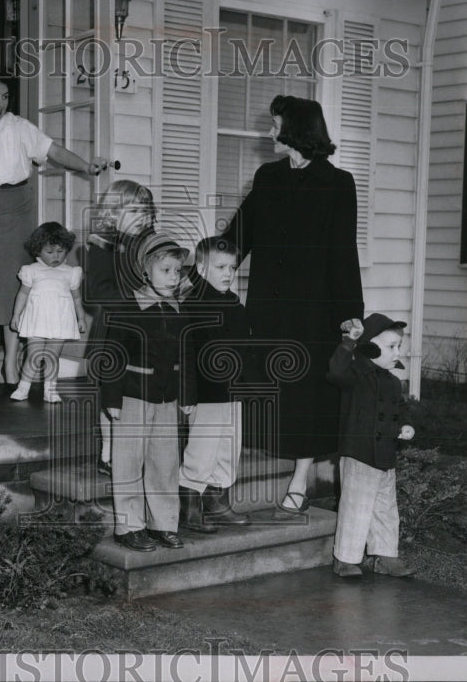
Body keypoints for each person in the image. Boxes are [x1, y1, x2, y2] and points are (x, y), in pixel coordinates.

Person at [222, 95, 364, 515]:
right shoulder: (268, 177)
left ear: (297, 130)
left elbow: (343, 253)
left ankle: (300, 480)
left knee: (305, 394)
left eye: (276, 124)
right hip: (267, 305)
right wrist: (197, 274)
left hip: (314, 310)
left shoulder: (338, 184)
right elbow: (238, 235)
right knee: (263, 385)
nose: (270, 132)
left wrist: (351, 313)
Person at [0, 76, 108, 392]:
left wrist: (86, 167)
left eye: (4, 96)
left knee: (16, 284)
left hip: (20, 207)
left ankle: (9, 362)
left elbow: (54, 150)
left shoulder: (20, 127)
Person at [102, 233, 196, 552]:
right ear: (146, 270)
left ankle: (163, 523)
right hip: (132, 397)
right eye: (165, 271)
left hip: (167, 398)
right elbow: (113, 356)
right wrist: (112, 400)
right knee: (128, 461)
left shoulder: (178, 310)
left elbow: (186, 358)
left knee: (165, 462)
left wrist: (187, 396)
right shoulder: (129, 308)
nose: (172, 278)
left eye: (177, 271)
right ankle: (129, 526)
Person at [326, 314, 415, 578]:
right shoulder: (355, 374)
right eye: (391, 347)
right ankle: (346, 558)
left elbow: (400, 408)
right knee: (356, 507)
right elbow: (335, 371)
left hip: (386, 455)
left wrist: (406, 424)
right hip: (359, 454)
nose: (397, 353)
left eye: (399, 347)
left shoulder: (392, 382)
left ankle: (385, 555)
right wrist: (348, 343)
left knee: (386, 508)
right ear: (371, 347)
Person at [78, 180, 157, 476]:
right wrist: (137, 298)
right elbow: (95, 292)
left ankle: (139, 450)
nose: (142, 216)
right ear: (113, 213)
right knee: (112, 395)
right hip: (114, 331)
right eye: (134, 209)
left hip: (146, 333)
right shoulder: (103, 243)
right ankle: (108, 453)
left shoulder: (150, 242)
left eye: (145, 210)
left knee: (140, 394)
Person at [178, 236, 252, 532]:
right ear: (200, 267)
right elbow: (185, 355)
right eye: (220, 266)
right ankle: (189, 507)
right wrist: (187, 395)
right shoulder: (192, 305)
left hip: (231, 391)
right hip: (205, 394)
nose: (227, 273)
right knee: (203, 448)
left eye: (232, 267)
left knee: (227, 447)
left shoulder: (234, 304)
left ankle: (216, 501)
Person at [9, 222, 87, 404]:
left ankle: (50, 390)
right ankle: (23, 388)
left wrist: (81, 317)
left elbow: (76, 298)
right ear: (38, 251)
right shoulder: (31, 271)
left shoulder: (70, 273)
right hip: (37, 320)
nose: (56, 256)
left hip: (59, 321)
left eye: (60, 251)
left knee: (53, 357)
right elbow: (22, 294)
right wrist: (16, 315)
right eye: (50, 252)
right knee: (33, 356)